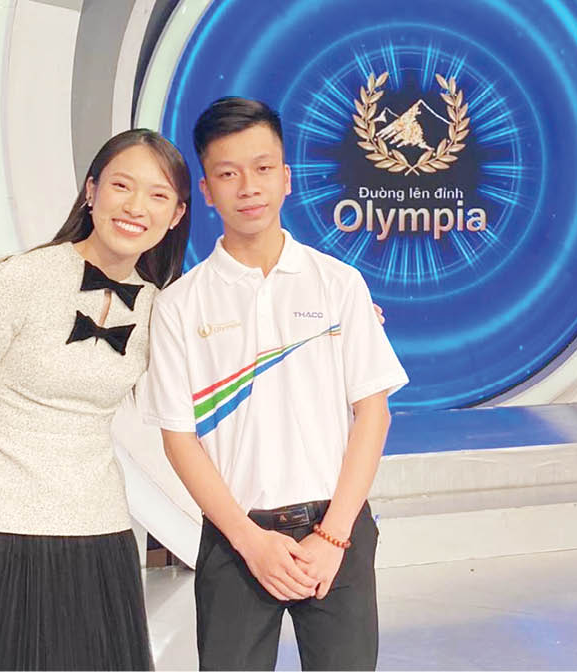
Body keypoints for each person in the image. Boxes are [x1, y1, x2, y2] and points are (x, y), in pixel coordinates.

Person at [140, 97, 408, 670]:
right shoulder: (180, 305)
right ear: (206, 191)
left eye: (262, 168)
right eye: (227, 174)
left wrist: (333, 537)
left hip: (336, 532)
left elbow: (374, 413)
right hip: (236, 540)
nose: (248, 188)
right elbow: (178, 439)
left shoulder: (339, 284)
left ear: (286, 177)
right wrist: (248, 541)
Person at [0, 128, 190, 671]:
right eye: (121, 186)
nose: (136, 207)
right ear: (91, 191)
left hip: (96, 525)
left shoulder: (161, 309)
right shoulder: (13, 279)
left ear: (177, 214)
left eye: (158, 195)